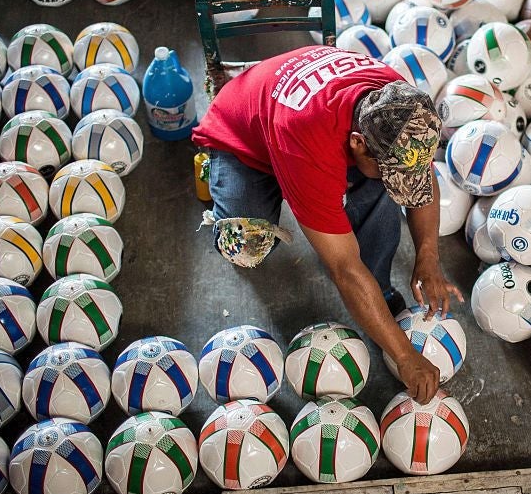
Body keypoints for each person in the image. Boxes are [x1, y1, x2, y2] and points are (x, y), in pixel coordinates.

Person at [193, 44, 463, 404]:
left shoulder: (402, 108)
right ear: (358, 143)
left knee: (381, 187)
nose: (401, 177)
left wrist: (428, 258)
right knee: (245, 246)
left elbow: (421, 176)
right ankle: (222, 172)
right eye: (390, 169)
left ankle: (379, 288)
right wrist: (405, 357)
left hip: (291, 107)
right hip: (243, 138)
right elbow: (344, 268)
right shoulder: (307, 143)